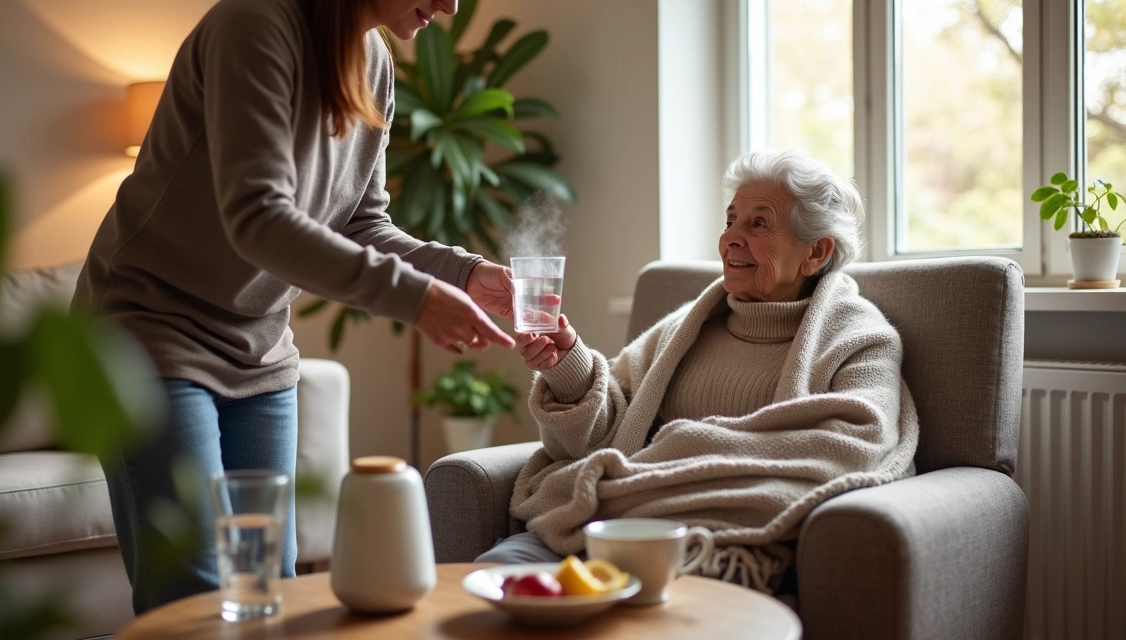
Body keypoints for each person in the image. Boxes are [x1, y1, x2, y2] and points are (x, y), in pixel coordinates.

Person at [71, 0, 514, 614]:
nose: (451, 4)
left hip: (260, 350)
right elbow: (257, 216)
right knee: (196, 593)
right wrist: (414, 298)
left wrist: (463, 273)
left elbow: (362, 222)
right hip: (148, 329)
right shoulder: (254, 25)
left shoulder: (376, 62)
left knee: (271, 591)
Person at [479, 149, 920, 595]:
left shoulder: (859, 337)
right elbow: (595, 441)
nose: (730, 238)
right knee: (491, 578)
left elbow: (858, 444)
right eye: (731, 221)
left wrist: (680, 447)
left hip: (713, 545)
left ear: (816, 252)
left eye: (758, 223)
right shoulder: (683, 329)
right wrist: (569, 365)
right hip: (608, 531)